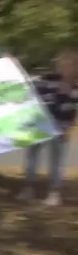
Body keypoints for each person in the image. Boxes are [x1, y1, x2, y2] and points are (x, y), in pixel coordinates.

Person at [18, 48, 78, 206]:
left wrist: (69, 129)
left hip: (60, 129)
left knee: (57, 161)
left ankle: (54, 193)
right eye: (62, 63)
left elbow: (72, 111)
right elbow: (37, 99)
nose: (65, 67)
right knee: (32, 157)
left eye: (70, 64)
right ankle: (28, 188)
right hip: (40, 125)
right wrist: (59, 94)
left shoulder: (76, 86)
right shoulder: (46, 79)